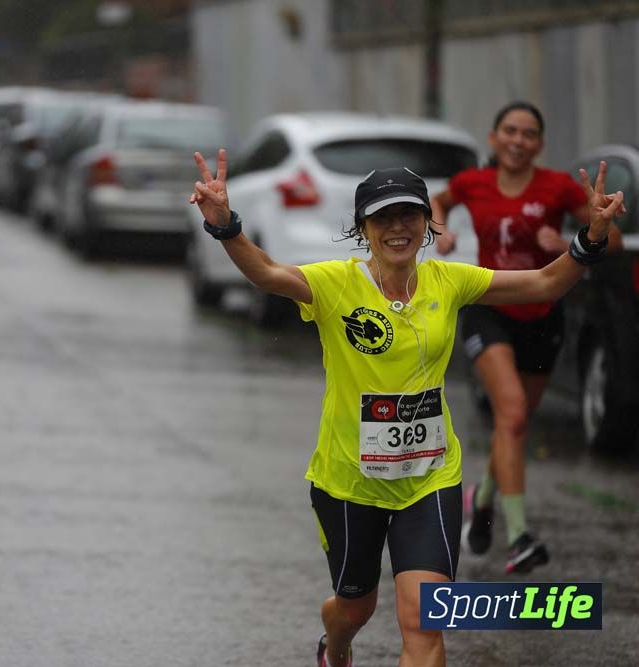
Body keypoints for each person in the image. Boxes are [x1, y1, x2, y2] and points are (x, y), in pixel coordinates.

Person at [189, 149, 622, 667]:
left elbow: (544, 282)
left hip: (430, 479)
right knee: (355, 607)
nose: (398, 228)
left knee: (424, 619)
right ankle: (338, 646)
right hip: (350, 481)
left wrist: (591, 238)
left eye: (409, 215)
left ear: (426, 223)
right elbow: (264, 272)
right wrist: (226, 226)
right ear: (363, 227)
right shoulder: (335, 283)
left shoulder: (450, 281)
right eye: (383, 217)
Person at [430, 101, 623, 574]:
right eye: (509, 131)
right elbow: (438, 201)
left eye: (529, 134)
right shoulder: (471, 183)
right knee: (512, 412)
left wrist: (574, 240)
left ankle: (483, 498)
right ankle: (519, 537)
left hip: (542, 314)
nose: (518, 140)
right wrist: (439, 231)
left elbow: (611, 239)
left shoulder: (556, 187)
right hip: (488, 308)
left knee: (514, 426)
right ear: (494, 138)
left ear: (539, 144)